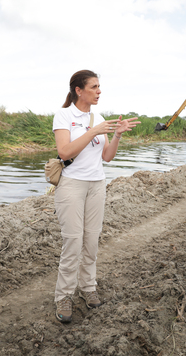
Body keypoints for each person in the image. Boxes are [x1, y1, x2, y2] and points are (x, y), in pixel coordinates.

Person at [52, 70, 140, 323]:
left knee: (91, 240)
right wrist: (92, 131)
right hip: (71, 185)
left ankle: (88, 287)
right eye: (94, 86)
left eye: (100, 86)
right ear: (79, 90)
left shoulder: (97, 116)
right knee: (72, 241)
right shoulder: (64, 115)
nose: (99, 91)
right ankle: (64, 295)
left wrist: (117, 134)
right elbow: (64, 151)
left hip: (97, 184)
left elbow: (107, 157)